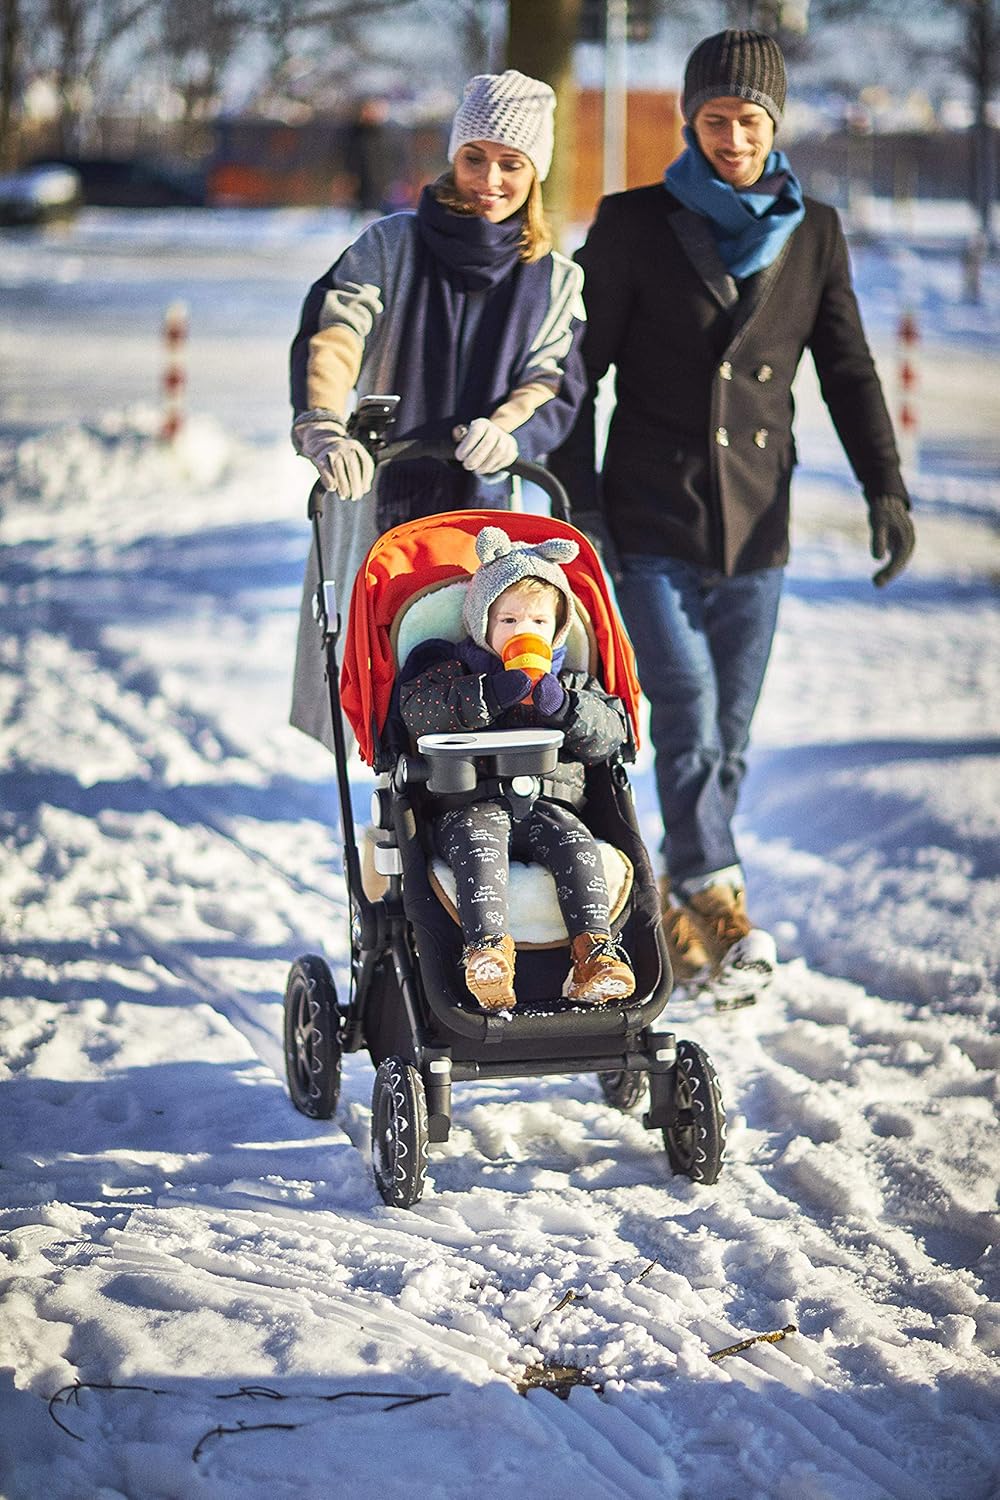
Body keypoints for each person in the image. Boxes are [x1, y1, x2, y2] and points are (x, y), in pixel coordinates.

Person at [549, 29, 916, 992]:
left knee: (732, 735)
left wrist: (886, 485)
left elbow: (847, 369)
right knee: (690, 711)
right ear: (691, 121)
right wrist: (576, 506)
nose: (733, 135)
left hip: (758, 523)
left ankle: (670, 895)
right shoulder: (633, 224)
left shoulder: (815, 233)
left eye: (749, 118)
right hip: (647, 513)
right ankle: (713, 893)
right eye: (715, 118)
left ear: (773, 123)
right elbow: (577, 380)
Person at [289, 69, 587, 754]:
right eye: (474, 157)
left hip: (486, 513)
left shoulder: (556, 280)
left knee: (477, 660)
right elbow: (335, 334)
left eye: (511, 163)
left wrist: (508, 431)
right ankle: (384, 827)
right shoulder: (389, 246)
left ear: (534, 172)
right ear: (453, 156)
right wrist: (324, 426)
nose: (490, 178)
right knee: (376, 670)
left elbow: (553, 378)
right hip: (375, 488)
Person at [397, 524, 635, 1012]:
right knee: (478, 850)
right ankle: (488, 955)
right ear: (482, 624)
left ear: (558, 629)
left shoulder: (571, 680)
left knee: (577, 844)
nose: (524, 632)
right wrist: (485, 695)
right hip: (471, 805)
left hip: (553, 805)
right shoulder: (451, 667)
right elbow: (417, 714)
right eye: (508, 620)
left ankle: (595, 954)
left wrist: (566, 707)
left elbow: (612, 732)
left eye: (538, 623)